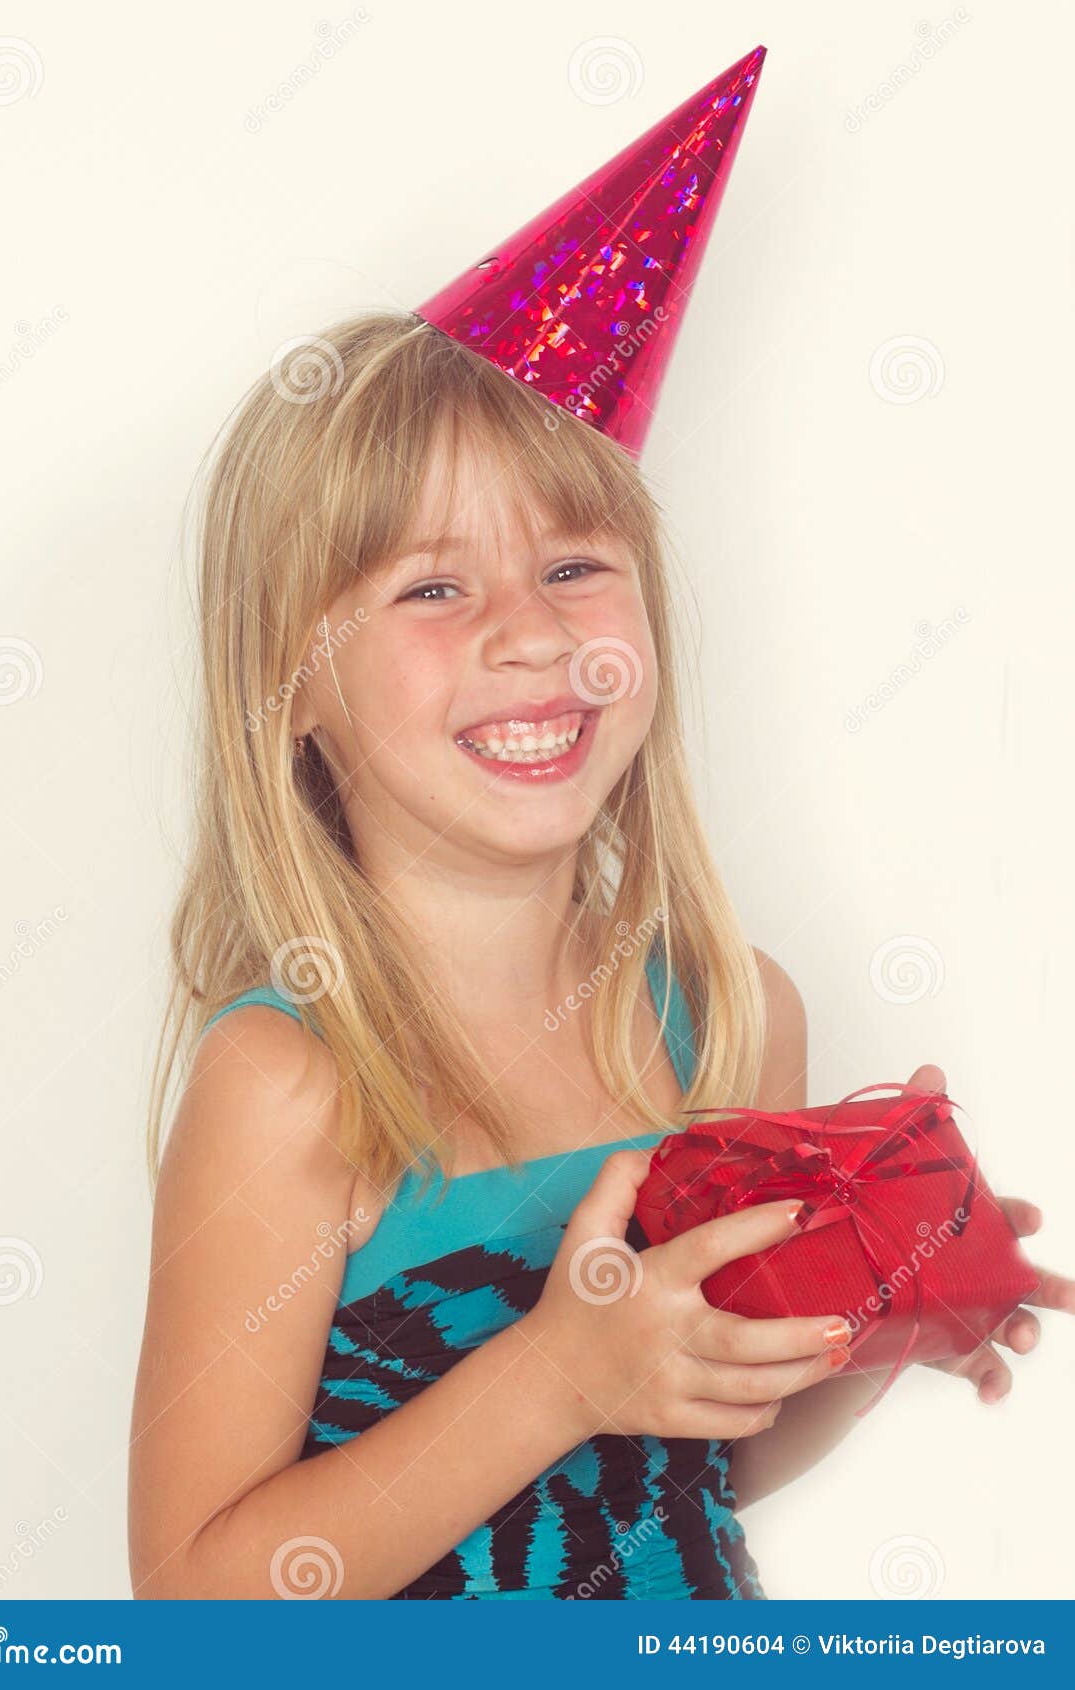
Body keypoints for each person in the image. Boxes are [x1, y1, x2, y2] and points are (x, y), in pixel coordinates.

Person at [127, 311, 1068, 1600]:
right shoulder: (289, 1078)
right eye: (433, 587)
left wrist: (880, 1317)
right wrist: (556, 1376)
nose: (528, 633)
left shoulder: (731, 1014)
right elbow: (196, 1601)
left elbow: (688, 1467)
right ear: (293, 679)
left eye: (573, 566)